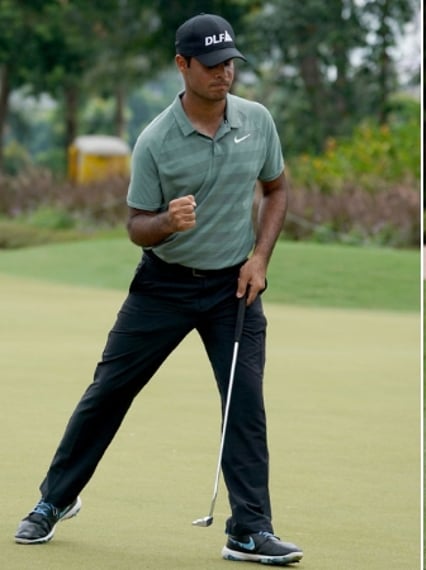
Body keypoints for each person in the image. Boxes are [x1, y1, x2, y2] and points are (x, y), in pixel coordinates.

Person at [12, 13, 303, 565]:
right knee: (108, 392)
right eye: (211, 64)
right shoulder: (155, 140)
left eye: (229, 63)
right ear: (182, 65)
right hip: (163, 286)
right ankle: (54, 500)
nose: (223, 73)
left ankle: (249, 530)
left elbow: (276, 190)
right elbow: (135, 226)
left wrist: (260, 259)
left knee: (244, 404)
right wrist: (167, 222)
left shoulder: (257, 120)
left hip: (233, 289)